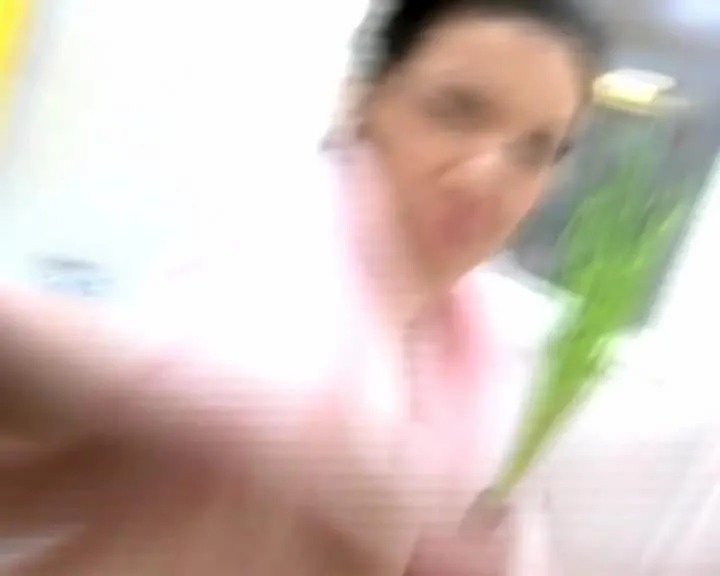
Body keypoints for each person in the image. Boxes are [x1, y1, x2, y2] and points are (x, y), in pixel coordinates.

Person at [0, 0, 605, 574]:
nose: (486, 174)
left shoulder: (474, 346)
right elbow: (135, 379)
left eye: (533, 149)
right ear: (364, 96)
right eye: (456, 110)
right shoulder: (270, 281)